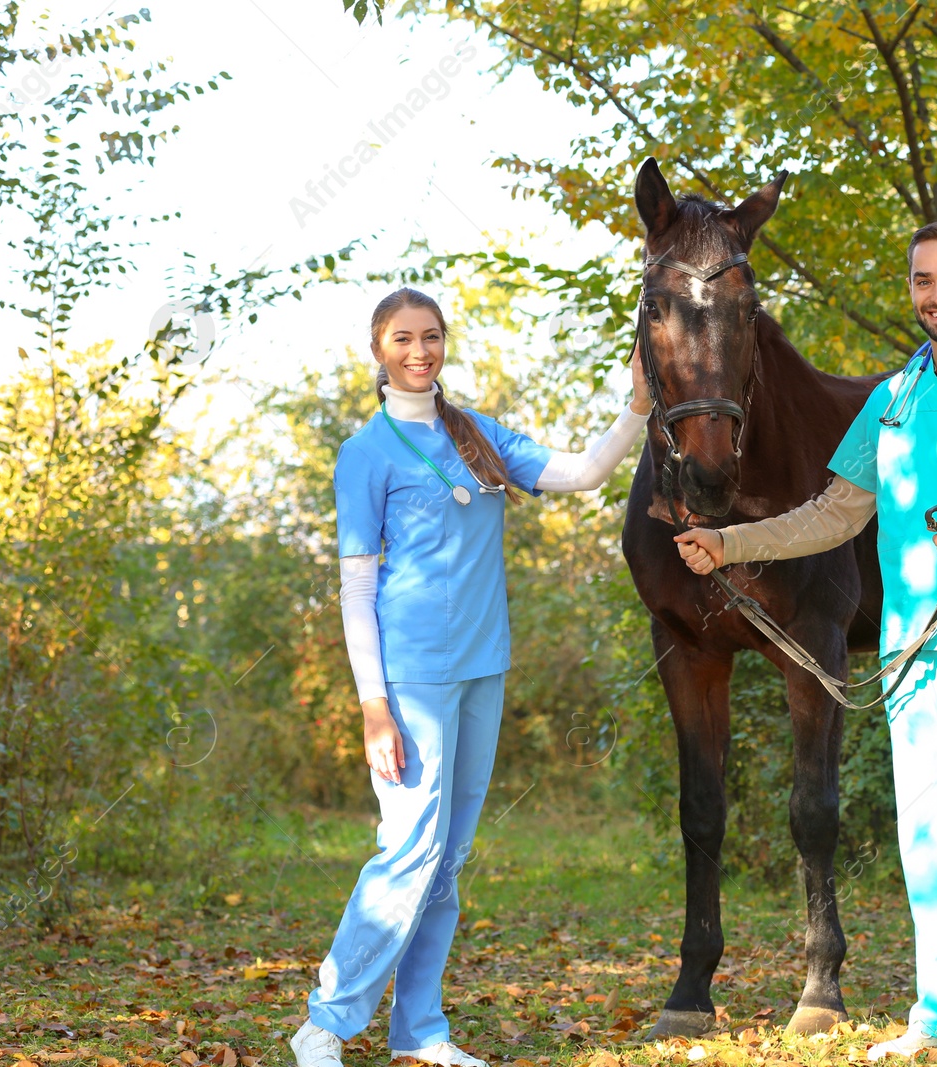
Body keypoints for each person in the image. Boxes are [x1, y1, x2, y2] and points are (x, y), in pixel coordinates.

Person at [673, 222, 937, 1064]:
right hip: (915, 665)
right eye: (923, 281)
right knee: (935, 848)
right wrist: (731, 544)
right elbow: (835, 513)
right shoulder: (896, 399)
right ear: (911, 290)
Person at [290, 287, 651, 1067]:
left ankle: (419, 1033)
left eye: (430, 337)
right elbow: (357, 587)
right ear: (378, 351)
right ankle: (324, 1022)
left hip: (484, 666)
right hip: (410, 678)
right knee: (409, 850)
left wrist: (639, 404)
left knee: (447, 860)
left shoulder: (477, 433)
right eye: (402, 339)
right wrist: (371, 706)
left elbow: (585, 473)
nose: (419, 352)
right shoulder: (366, 452)